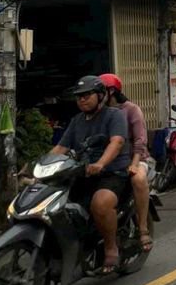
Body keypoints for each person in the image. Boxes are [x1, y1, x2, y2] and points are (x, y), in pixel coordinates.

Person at [50, 75, 129, 274]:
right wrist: (39, 167)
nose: (82, 99)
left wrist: (101, 163)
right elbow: (60, 148)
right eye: (79, 96)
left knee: (100, 203)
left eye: (87, 95)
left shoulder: (114, 115)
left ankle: (111, 247)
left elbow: (117, 142)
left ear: (100, 95)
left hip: (112, 173)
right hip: (82, 174)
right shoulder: (77, 121)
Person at [100, 73, 153, 253]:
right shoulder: (100, 113)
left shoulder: (131, 110)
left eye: (101, 91)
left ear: (111, 91)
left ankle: (143, 228)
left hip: (136, 158)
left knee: (138, 179)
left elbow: (140, 140)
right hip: (110, 162)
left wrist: (134, 164)